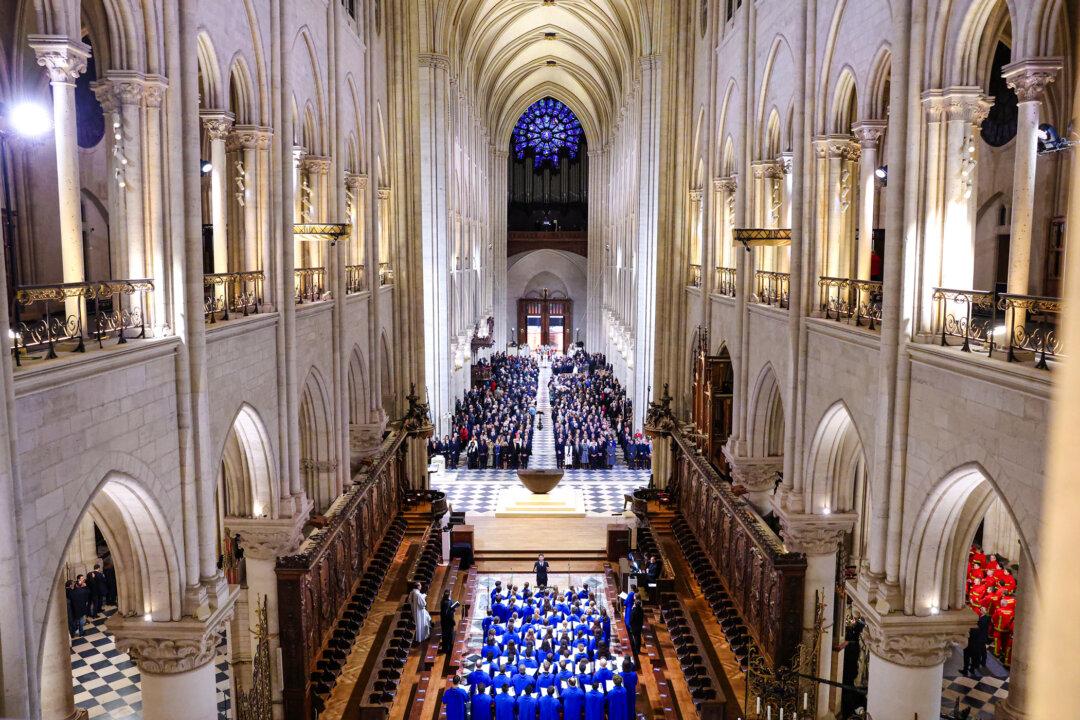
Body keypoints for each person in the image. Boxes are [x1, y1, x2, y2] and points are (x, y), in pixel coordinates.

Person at [629, 598, 644, 669]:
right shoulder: (641, 610)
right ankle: (638, 649)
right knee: (638, 637)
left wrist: (631, 625)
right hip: (639, 626)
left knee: (636, 638)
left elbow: (631, 620)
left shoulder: (634, 611)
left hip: (634, 627)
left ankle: (636, 650)